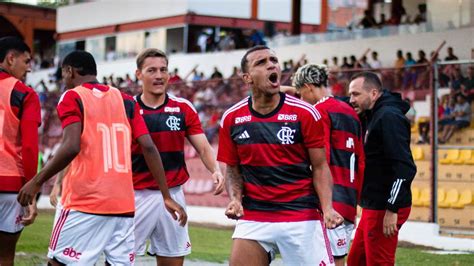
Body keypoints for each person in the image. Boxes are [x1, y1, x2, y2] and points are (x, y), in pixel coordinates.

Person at [17, 50, 187, 265]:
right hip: (123, 205)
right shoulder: (126, 100)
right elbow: (149, 147)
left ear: (69, 71)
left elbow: (71, 146)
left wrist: (36, 181)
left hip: (85, 201)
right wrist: (166, 196)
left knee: (58, 263)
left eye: (63, 74)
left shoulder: (73, 96)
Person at [218, 45, 343, 265]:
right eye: (261, 62)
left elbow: (321, 166)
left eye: (273, 60)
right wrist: (235, 200)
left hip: (301, 215)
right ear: (247, 77)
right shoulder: (231, 118)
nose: (271, 65)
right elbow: (233, 168)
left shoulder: (305, 113)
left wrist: (328, 207)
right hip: (255, 215)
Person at [132, 48, 224, 265]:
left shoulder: (182, 107)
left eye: (163, 70)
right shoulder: (128, 108)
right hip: (135, 195)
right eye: (151, 70)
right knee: (120, 260)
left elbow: (202, 147)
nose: (159, 75)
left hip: (173, 195)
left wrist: (215, 170)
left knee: (173, 260)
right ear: (138, 74)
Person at [291, 64, 365, 266]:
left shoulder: (318, 112)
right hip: (348, 202)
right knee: (337, 260)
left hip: (328, 203)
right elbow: (361, 162)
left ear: (308, 87)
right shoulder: (351, 113)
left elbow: (319, 161)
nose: (300, 99)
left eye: (300, 93)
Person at [347, 72, 416, 265]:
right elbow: (341, 102)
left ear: (374, 93)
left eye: (355, 94)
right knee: (355, 261)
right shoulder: (371, 112)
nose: (351, 99)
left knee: (378, 261)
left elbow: (405, 167)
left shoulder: (389, 117)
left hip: (385, 206)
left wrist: (391, 209)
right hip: (373, 205)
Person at [0, 36, 41, 266]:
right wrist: (31, 189)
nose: (28, 67)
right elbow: (29, 146)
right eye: (26, 61)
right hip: (9, 186)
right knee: (5, 256)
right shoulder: (25, 93)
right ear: (10, 58)